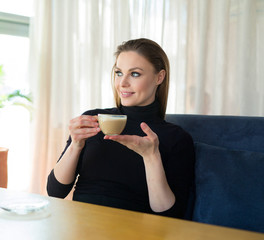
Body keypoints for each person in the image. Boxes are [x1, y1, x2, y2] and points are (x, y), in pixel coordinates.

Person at [47, 38, 195, 219]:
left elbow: (171, 216)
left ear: (159, 77)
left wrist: (151, 157)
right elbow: (55, 192)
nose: (122, 83)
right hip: (82, 225)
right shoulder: (94, 119)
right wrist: (75, 145)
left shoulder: (176, 138)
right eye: (118, 72)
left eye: (134, 74)